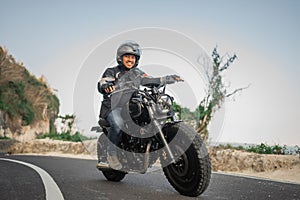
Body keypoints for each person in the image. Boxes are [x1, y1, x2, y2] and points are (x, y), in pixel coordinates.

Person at [97, 41, 182, 170]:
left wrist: (168, 78)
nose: (130, 60)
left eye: (133, 57)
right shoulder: (112, 71)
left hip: (132, 104)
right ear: (121, 58)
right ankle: (111, 155)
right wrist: (106, 86)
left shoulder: (138, 73)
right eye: (127, 56)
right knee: (118, 123)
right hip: (114, 106)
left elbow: (150, 80)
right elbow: (103, 83)